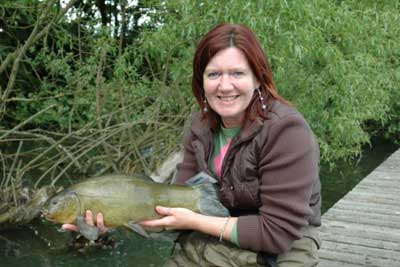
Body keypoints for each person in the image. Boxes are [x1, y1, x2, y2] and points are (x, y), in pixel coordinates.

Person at [63, 23, 321, 267]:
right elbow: (179, 202)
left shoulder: (287, 131)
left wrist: (195, 220)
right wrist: (119, 216)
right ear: (202, 82)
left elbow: (277, 233)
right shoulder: (200, 125)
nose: (224, 85)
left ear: (258, 79)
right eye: (214, 74)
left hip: (282, 242)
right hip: (211, 225)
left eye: (237, 73)